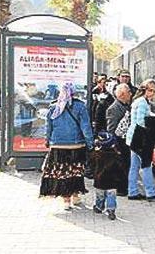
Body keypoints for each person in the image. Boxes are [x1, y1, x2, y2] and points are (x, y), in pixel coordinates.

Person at [40, 82, 94, 211]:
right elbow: (86, 127)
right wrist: (90, 143)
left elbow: (49, 127)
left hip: (58, 145)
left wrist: (48, 140)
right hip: (76, 145)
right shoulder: (80, 106)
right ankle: (75, 195)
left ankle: (66, 200)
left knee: (62, 173)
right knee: (76, 171)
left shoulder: (54, 107)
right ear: (74, 92)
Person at [126, 79, 155, 201]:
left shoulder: (137, 101)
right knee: (146, 165)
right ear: (145, 90)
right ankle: (151, 192)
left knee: (134, 167)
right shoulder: (143, 102)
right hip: (140, 139)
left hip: (133, 138)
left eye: (154, 91)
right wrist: (153, 125)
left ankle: (132, 192)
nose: (153, 93)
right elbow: (141, 122)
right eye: (151, 90)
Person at [106, 83, 132, 196]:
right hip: (119, 142)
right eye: (129, 92)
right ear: (122, 94)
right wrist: (114, 145)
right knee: (121, 166)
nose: (131, 94)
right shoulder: (114, 108)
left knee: (125, 165)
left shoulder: (125, 105)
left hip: (125, 141)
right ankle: (121, 189)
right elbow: (111, 129)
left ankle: (123, 187)